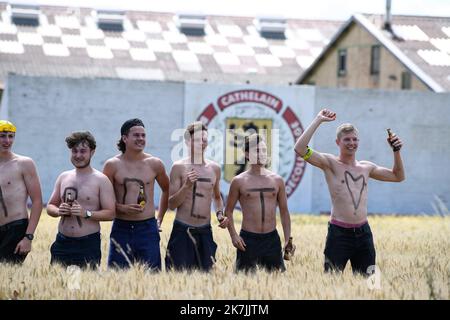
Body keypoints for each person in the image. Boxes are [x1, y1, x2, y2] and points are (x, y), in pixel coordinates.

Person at [294, 109, 405, 275]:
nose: (351, 143)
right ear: (337, 142)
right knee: (330, 283)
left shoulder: (366, 167)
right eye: (347, 139)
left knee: (370, 285)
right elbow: (300, 149)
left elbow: (398, 176)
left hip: (363, 233)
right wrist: (318, 120)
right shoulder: (329, 163)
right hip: (339, 234)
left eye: (354, 139)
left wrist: (396, 151)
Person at [103, 119, 169, 270]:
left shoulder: (155, 163)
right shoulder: (112, 165)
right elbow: (103, 198)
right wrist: (121, 208)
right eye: (136, 135)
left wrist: (159, 219)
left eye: (143, 135)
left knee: (152, 276)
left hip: (148, 228)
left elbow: (167, 189)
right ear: (124, 138)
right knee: (117, 276)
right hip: (121, 227)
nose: (141, 139)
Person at [47, 131, 115, 268]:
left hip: (87, 244)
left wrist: (87, 213)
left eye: (83, 151)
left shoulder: (101, 180)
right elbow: (50, 206)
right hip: (62, 242)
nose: (78, 155)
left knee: (84, 288)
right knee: (59, 287)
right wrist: (58, 210)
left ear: (92, 152)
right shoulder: (63, 177)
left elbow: (111, 213)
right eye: (74, 151)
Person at [165, 121, 228, 271]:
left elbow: (217, 198)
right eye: (198, 139)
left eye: (205, 139)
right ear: (187, 141)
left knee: (206, 281)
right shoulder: (178, 167)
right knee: (176, 280)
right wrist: (186, 186)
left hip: (205, 232)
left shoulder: (215, 168)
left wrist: (220, 215)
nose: (203, 143)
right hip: (182, 231)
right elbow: (171, 204)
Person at [225, 133, 292, 272]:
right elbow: (228, 211)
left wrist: (287, 239)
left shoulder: (277, 180)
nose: (261, 154)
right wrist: (233, 235)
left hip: (271, 239)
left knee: (276, 285)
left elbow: (284, 211)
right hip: (247, 240)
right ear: (247, 154)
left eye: (264, 150)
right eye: (257, 150)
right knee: (244, 284)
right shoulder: (238, 181)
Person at [0, 120, 43, 264]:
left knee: (9, 277)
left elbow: (37, 201)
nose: (7, 140)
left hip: (15, 229)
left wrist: (28, 237)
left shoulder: (24, 163)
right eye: (2, 135)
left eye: (11, 136)